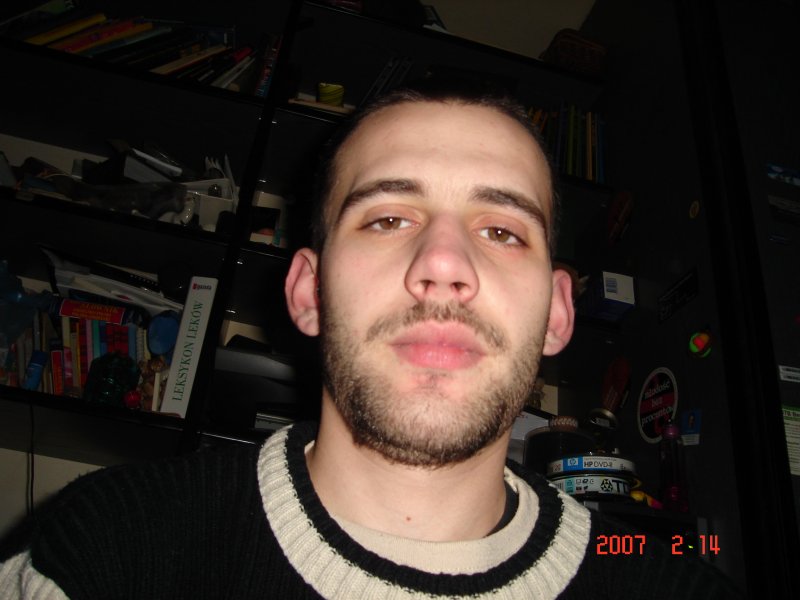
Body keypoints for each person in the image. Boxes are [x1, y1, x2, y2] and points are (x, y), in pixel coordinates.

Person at [0, 78, 742, 599]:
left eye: (501, 231)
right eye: (387, 219)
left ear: (557, 313)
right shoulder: (110, 548)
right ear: (307, 292)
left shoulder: (676, 587)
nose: (443, 265)